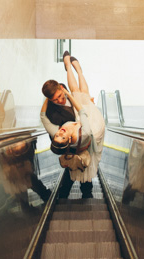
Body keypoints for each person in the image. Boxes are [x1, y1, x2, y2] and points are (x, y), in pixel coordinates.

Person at [41, 53, 105, 198]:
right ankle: (73, 67)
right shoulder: (55, 116)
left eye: (61, 95)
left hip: (81, 124)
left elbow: (43, 118)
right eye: (56, 98)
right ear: (51, 100)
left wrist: (72, 97)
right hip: (81, 130)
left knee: (80, 93)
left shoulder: (64, 92)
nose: (61, 99)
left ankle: (72, 67)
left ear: (60, 89)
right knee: (80, 94)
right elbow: (80, 114)